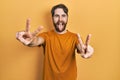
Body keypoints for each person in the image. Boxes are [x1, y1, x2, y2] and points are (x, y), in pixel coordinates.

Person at [16, 4, 94, 80]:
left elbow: (82, 48)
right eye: (57, 16)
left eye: (63, 16)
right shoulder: (46, 36)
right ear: (52, 18)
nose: (60, 19)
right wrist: (28, 40)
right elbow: (35, 41)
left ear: (67, 18)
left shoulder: (75, 37)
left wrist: (88, 51)